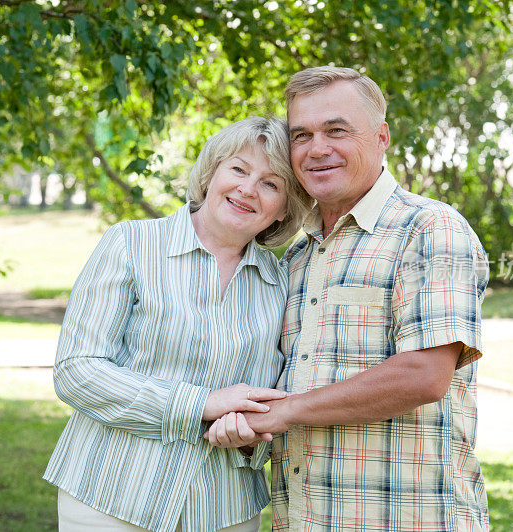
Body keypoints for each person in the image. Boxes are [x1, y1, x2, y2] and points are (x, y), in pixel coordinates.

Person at [206, 67, 490, 530]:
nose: (317, 149)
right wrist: (244, 427)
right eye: (302, 135)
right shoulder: (294, 256)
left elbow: (424, 376)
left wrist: (285, 412)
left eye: (336, 130)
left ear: (382, 137)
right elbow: (281, 380)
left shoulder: (429, 229)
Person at [43, 116, 314, 531]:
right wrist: (200, 406)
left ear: (283, 210)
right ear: (211, 174)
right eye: (238, 169)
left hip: (223, 509)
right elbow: (77, 371)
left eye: (271, 184)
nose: (247, 189)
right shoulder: (131, 244)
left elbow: (275, 400)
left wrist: (248, 437)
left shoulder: (284, 283)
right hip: (110, 495)